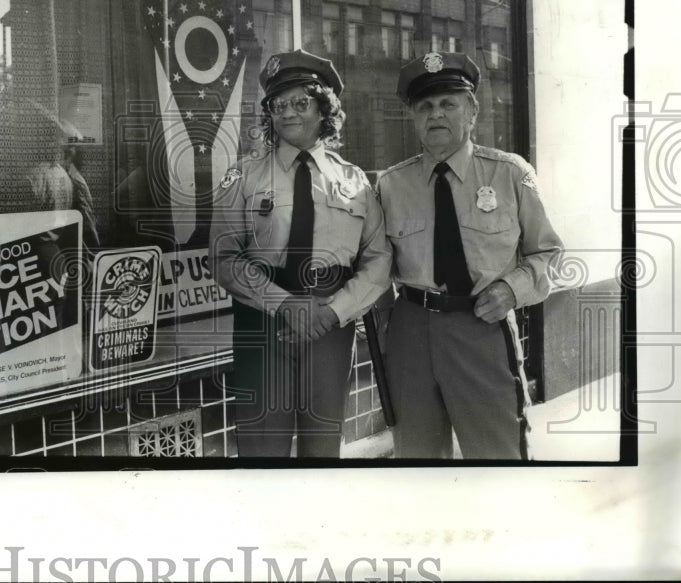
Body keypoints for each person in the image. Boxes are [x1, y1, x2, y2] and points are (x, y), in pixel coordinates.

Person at [376, 51, 564, 460]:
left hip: (482, 325)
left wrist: (511, 291)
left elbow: (547, 253)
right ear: (413, 117)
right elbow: (375, 265)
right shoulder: (390, 185)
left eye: (448, 104)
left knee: (498, 453)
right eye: (424, 106)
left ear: (472, 111)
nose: (436, 114)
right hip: (410, 333)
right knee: (417, 457)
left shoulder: (510, 174)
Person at [210, 50, 391, 458]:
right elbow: (223, 258)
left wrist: (332, 312)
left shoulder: (354, 180)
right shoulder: (245, 176)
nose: (288, 113)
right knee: (262, 449)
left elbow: (378, 261)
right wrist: (286, 304)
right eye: (278, 104)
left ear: (324, 109)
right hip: (263, 321)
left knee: (323, 448)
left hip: (330, 324)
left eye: (300, 102)